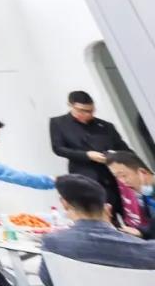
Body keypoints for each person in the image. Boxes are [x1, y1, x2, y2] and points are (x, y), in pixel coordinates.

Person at [38, 174, 155, 285]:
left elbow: (49, 280)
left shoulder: (52, 243)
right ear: (107, 208)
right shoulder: (148, 251)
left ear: (64, 204)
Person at [49, 90, 130, 218]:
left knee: (125, 213)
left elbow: (123, 149)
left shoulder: (106, 126)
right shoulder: (58, 123)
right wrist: (87, 155)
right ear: (70, 105)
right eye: (82, 111)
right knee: (97, 216)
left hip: (111, 177)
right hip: (86, 177)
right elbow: (58, 149)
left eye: (91, 111)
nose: (87, 115)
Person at [107, 151, 155, 240]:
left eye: (123, 176)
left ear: (142, 172)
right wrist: (141, 232)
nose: (123, 182)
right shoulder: (146, 193)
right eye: (117, 177)